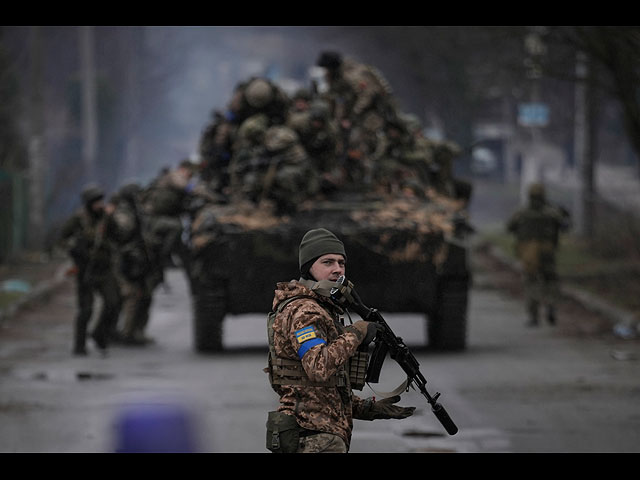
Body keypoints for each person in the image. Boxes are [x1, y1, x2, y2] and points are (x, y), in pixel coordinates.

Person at [266, 228, 415, 453]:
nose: (337, 269)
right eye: (327, 262)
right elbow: (318, 367)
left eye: (341, 263)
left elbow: (321, 392)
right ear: (308, 268)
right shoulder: (305, 311)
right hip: (314, 438)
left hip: (320, 436)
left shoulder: (320, 309)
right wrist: (356, 333)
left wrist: (370, 409)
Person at [59, 183, 122, 355]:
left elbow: (119, 235)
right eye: (95, 202)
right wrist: (76, 248)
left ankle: (99, 334)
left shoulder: (106, 218)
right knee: (86, 309)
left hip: (104, 268)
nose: (99, 205)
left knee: (113, 303)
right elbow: (63, 238)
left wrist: (112, 217)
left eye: (100, 201)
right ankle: (79, 345)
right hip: (86, 269)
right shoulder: (78, 219)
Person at [506, 183, 571, 326]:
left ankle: (534, 315)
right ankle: (551, 307)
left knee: (531, 281)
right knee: (551, 280)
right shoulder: (552, 212)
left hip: (529, 252)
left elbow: (509, 228)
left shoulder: (521, 213)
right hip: (547, 250)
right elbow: (565, 225)